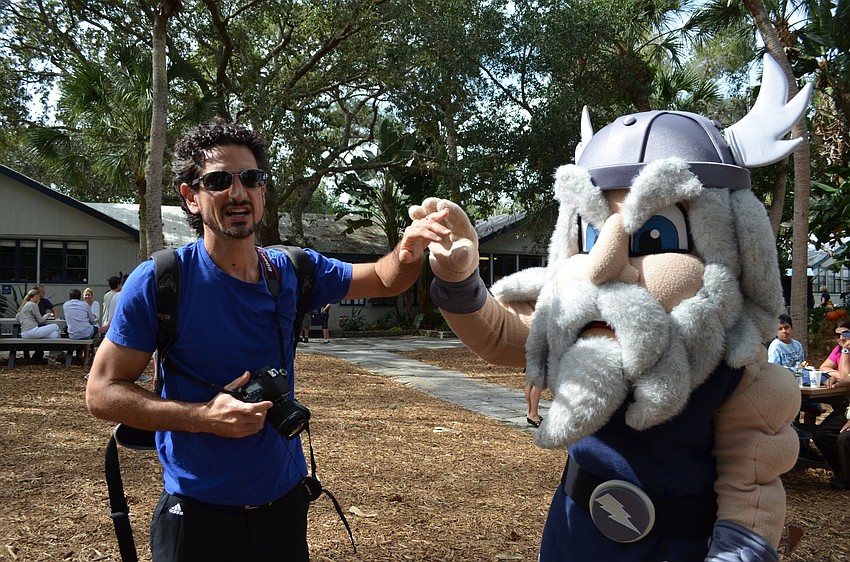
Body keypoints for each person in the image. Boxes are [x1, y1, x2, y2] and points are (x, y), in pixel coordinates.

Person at [416, 56, 807, 560]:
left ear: (734, 244)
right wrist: (460, 279)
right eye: (592, 233)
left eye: (655, 235)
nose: (601, 265)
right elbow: (500, 334)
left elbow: (750, 481)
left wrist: (740, 549)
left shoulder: (738, 368)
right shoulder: (576, 321)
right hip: (574, 535)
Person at [85, 119, 445, 562]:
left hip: (284, 505)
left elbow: (386, 279)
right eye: (218, 181)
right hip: (198, 515)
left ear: (262, 190)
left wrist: (408, 250)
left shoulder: (292, 270)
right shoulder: (161, 281)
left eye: (250, 179)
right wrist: (203, 417)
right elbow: (102, 393)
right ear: (190, 196)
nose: (238, 193)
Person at [767, 314, 824, 465]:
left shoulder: (797, 345)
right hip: (784, 389)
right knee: (793, 415)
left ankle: (806, 445)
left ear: (792, 328)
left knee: (816, 410)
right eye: (780, 329)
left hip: (801, 386)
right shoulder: (775, 347)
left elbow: (801, 365)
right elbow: (774, 370)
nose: (784, 331)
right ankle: (797, 448)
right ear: (775, 331)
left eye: (787, 327)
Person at [16, 288, 63, 366]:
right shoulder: (33, 305)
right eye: (38, 297)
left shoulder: (25, 304)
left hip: (25, 333)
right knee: (55, 326)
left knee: (54, 334)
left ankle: (52, 358)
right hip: (32, 331)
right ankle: (58, 352)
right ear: (34, 296)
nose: (39, 299)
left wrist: (27, 318)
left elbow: (17, 316)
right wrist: (46, 315)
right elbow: (40, 320)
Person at [63, 288, 98, 365]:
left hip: (72, 335)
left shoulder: (65, 305)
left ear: (69, 296)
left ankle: (79, 355)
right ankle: (86, 358)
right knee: (91, 331)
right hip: (86, 333)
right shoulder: (85, 305)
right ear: (80, 296)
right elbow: (92, 320)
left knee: (67, 328)